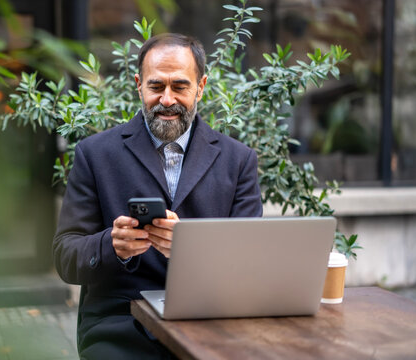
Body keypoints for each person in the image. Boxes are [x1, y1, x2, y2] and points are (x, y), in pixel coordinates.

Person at [53, 33, 263, 359]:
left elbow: (251, 263)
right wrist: (112, 245)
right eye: (156, 87)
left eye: (179, 86)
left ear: (201, 86)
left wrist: (192, 248)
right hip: (121, 325)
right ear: (139, 85)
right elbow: (65, 258)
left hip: (211, 323)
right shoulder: (94, 154)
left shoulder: (239, 160)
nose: (167, 100)